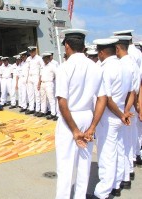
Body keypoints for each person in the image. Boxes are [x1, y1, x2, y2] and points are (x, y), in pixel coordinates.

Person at [55, 29, 107, 199]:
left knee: (65, 165)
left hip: (69, 118)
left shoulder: (65, 67)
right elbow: (102, 99)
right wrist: (92, 127)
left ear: (67, 46)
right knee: (84, 164)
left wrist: (75, 130)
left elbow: (62, 101)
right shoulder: (96, 67)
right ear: (83, 46)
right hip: (87, 116)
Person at [92, 38, 133, 199]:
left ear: (101, 52)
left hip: (109, 117)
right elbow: (131, 92)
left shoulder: (106, 69)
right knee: (119, 150)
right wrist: (124, 112)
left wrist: (121, 114)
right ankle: (116, 184)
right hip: (120, 116)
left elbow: (107, 99)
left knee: (106, 155)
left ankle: (102, 193)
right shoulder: (124, 67)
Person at [111, 35, 140, 191]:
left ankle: (123, 177)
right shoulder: (133, 63)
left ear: (117, 48)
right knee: (128, 143)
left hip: (123, 109)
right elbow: (135, 90)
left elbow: (131, 92)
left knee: (120, 145)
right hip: (130, 108)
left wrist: (125, 112)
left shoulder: (122, 64)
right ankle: (128, 174)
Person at [37, 53, 57, 119]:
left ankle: (53, 113)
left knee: (51, 98)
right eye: (43, 58)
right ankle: (43, 111)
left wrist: (52, 79)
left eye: (45, 58)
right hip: (43, 83)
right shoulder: (42, 66)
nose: (44, 60)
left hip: (49, 83)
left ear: (48, 58)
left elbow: (57, 74)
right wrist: (39, 84)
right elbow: (40, 75)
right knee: (43, 98)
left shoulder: (52, 66)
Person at [25, 46, 43, 115]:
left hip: (36, 77)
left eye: (32, 51)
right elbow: (27, 69)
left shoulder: (39, 58)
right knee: (30, 93)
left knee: (37, 94)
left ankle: (38, 109)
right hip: (30, 77)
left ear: (35, 51)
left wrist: (39, 80)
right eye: (30, 51)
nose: (31, 53)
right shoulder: (28, 59)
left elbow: (42, 69)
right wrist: (26, 78)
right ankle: (31, 108)